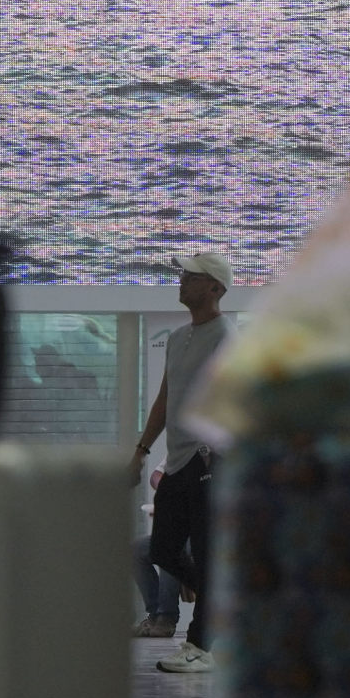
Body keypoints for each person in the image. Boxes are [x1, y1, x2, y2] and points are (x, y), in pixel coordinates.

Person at [134, 250, 234, 672]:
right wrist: (141, 451)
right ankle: (217, 600)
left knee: (209, 554)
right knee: (162, 549)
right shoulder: (178, 338)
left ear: (214, 288)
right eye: (183, 276)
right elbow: (165, 399)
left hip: (210, 459)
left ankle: (200, 646)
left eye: (191, 277)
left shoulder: (229, 339)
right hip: (177, 461)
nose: (182, 282)